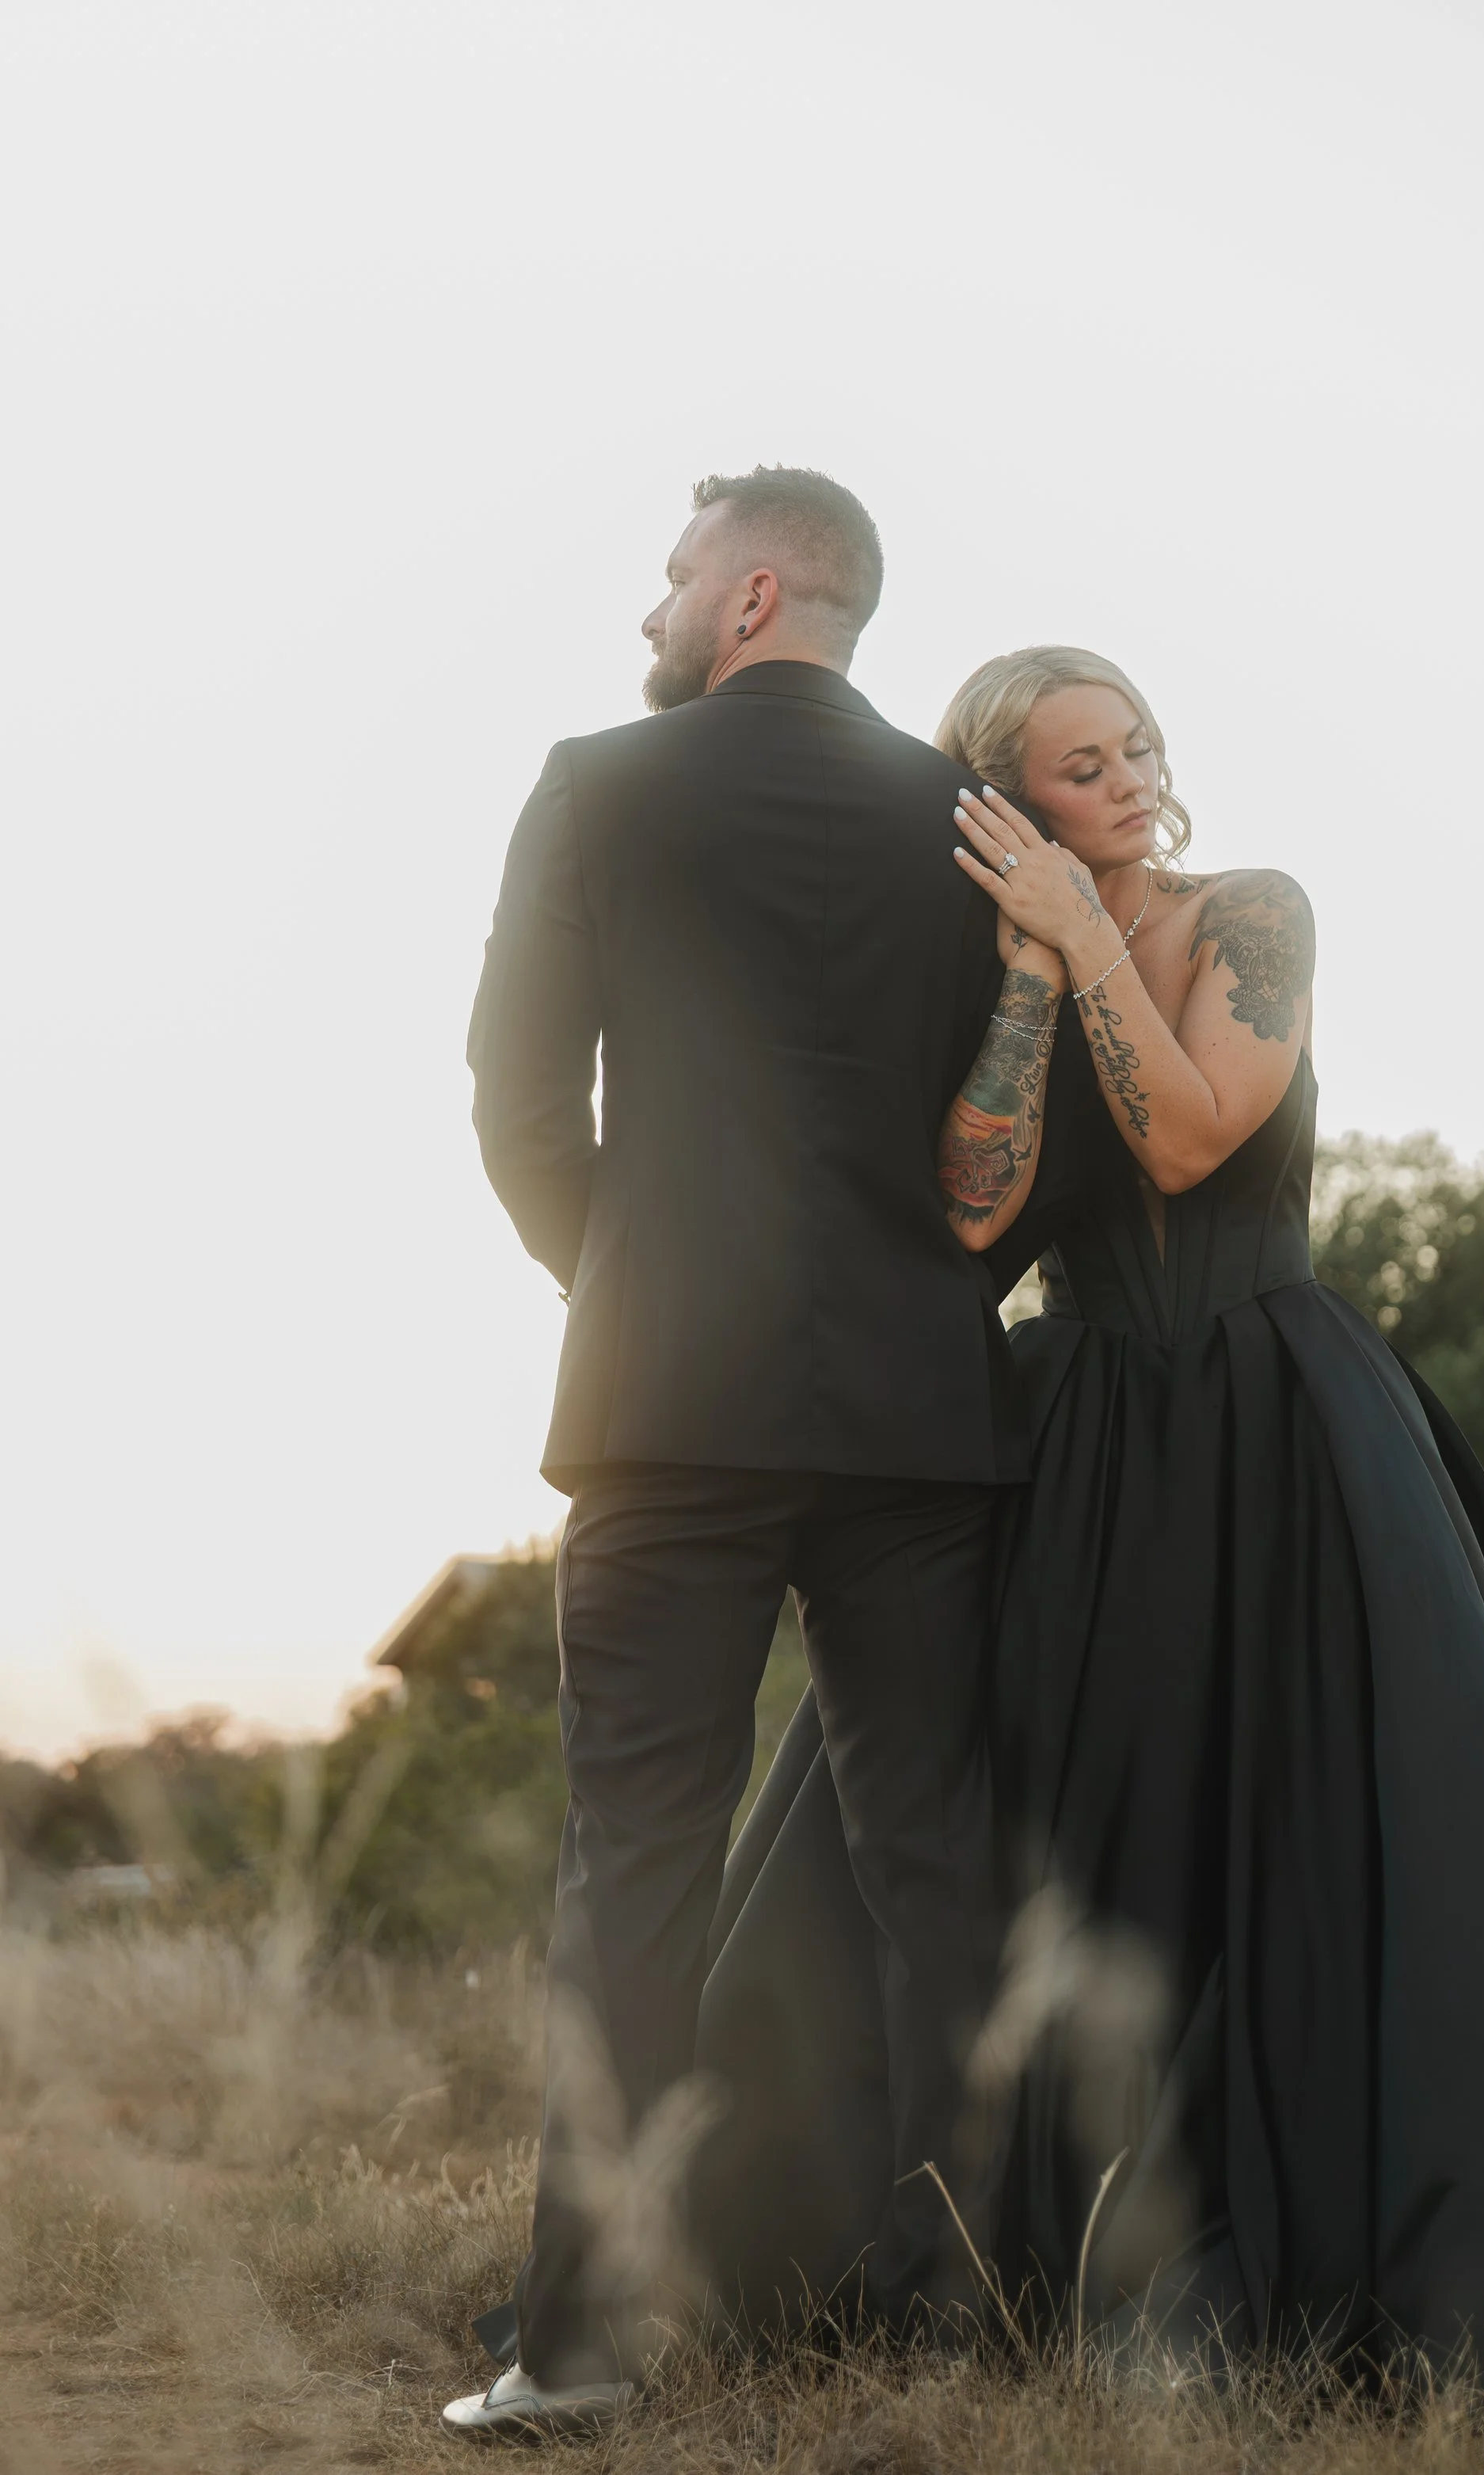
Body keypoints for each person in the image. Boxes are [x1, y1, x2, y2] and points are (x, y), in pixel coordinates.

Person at [694, 646, 1484, 2405]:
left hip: (1283, 1425)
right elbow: (972, 1223)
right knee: (1010, 1833)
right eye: (1079, 762)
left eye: (1138, 746)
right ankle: (988, 2252)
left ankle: (1431, 2277)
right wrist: (1028, 972)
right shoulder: (998, 969)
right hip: (1072, 1437)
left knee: (1340, 1827)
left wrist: (1090, 927)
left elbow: (1192, 1140)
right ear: (1004, 803)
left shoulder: (1252, 912)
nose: (1129, 776)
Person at [444, 470, 1033, 2439]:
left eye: (674, 572)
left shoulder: (601, 785)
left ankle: (580, 2347)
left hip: (665, 1412)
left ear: (753, 586)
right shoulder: (973, 826)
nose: (652, 610)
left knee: (635, 1875)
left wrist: (620, 1279)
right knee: (938, 1864)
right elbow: (1008, 1153)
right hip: (915, 1418)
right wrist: (933, 1305)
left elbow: (516, 1090)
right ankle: (962, 2321)